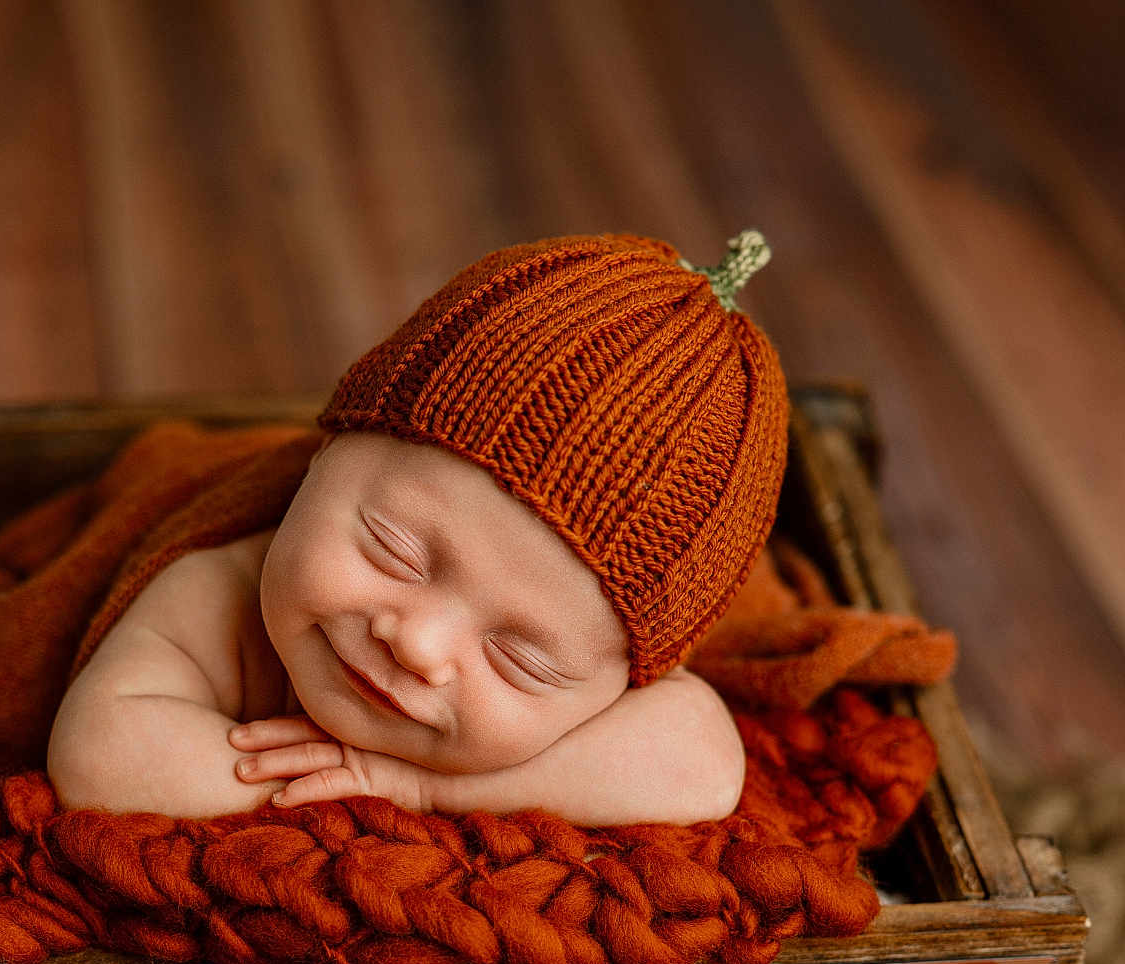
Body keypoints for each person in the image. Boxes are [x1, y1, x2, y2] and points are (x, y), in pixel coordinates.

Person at [47, 231, 789, 825]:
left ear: (621, 685)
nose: (418, 644)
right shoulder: (218, 590)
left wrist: (418, 788)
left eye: (519, 659)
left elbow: (704, 764)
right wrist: (344, 804)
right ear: (326, 451)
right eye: (393, 552)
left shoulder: (623, 684)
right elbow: (98, 752)